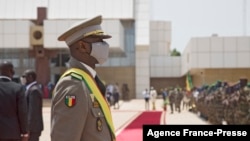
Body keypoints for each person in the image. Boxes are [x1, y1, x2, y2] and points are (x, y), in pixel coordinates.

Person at [51, 15, 116, 141]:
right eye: (99, 41)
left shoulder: (88, 80)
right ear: (82, 46)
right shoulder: (73, 84)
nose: (105, 45)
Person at [0, 61, 29, 141]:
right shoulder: (18, 88)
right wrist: (24, 131)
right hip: (12, 133)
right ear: (12, 71)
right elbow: (22, 112)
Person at [22, 69, 44, 141]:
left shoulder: (34, 91)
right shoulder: (30, 89)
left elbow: (33, 111)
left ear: (30, 77)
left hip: (33, 128)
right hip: (33, 127)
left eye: (24, 77)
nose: (23, 79)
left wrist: (28, 128)